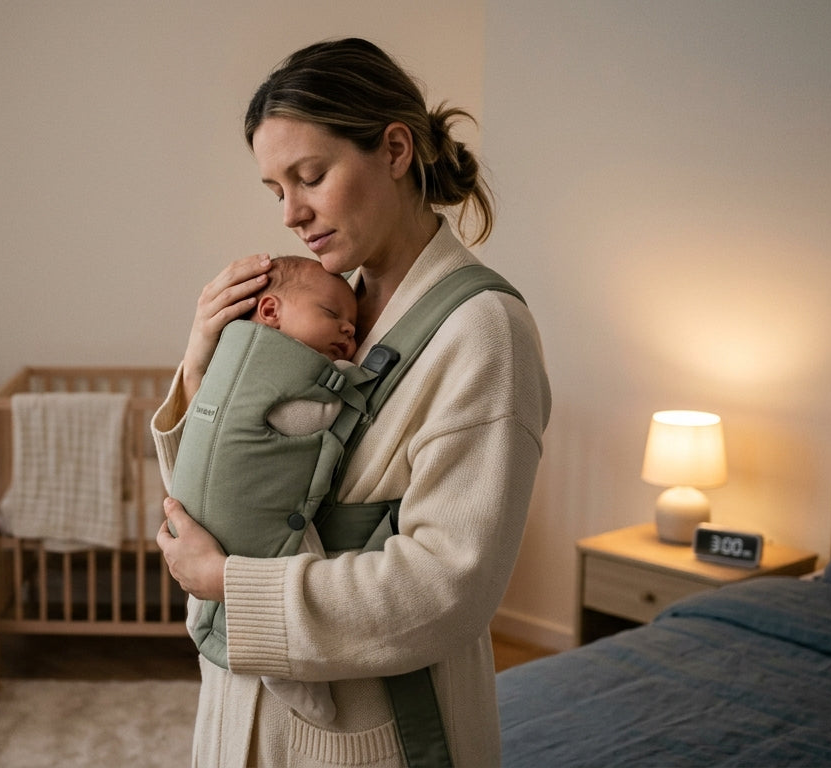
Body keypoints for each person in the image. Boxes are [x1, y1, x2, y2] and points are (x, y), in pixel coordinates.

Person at [153, 37, 550, 767]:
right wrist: (201, 367)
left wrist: (227, 582)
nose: (291, 215)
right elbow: (227, 486)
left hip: (364, 732)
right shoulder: (322, 311)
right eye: (276, 190)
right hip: (239, 706)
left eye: (311, 176)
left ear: (395, 150)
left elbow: (445, 588)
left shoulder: (484, 332)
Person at [168, 253, 359, 726]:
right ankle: (286, 670)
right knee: (297, 551)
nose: (349, 332)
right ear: (270, 312)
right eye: (333, 315)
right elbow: (310, 418)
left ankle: (226, 631)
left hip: (231, 535)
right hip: (241, 525)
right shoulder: (274, 374)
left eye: (353, 325)